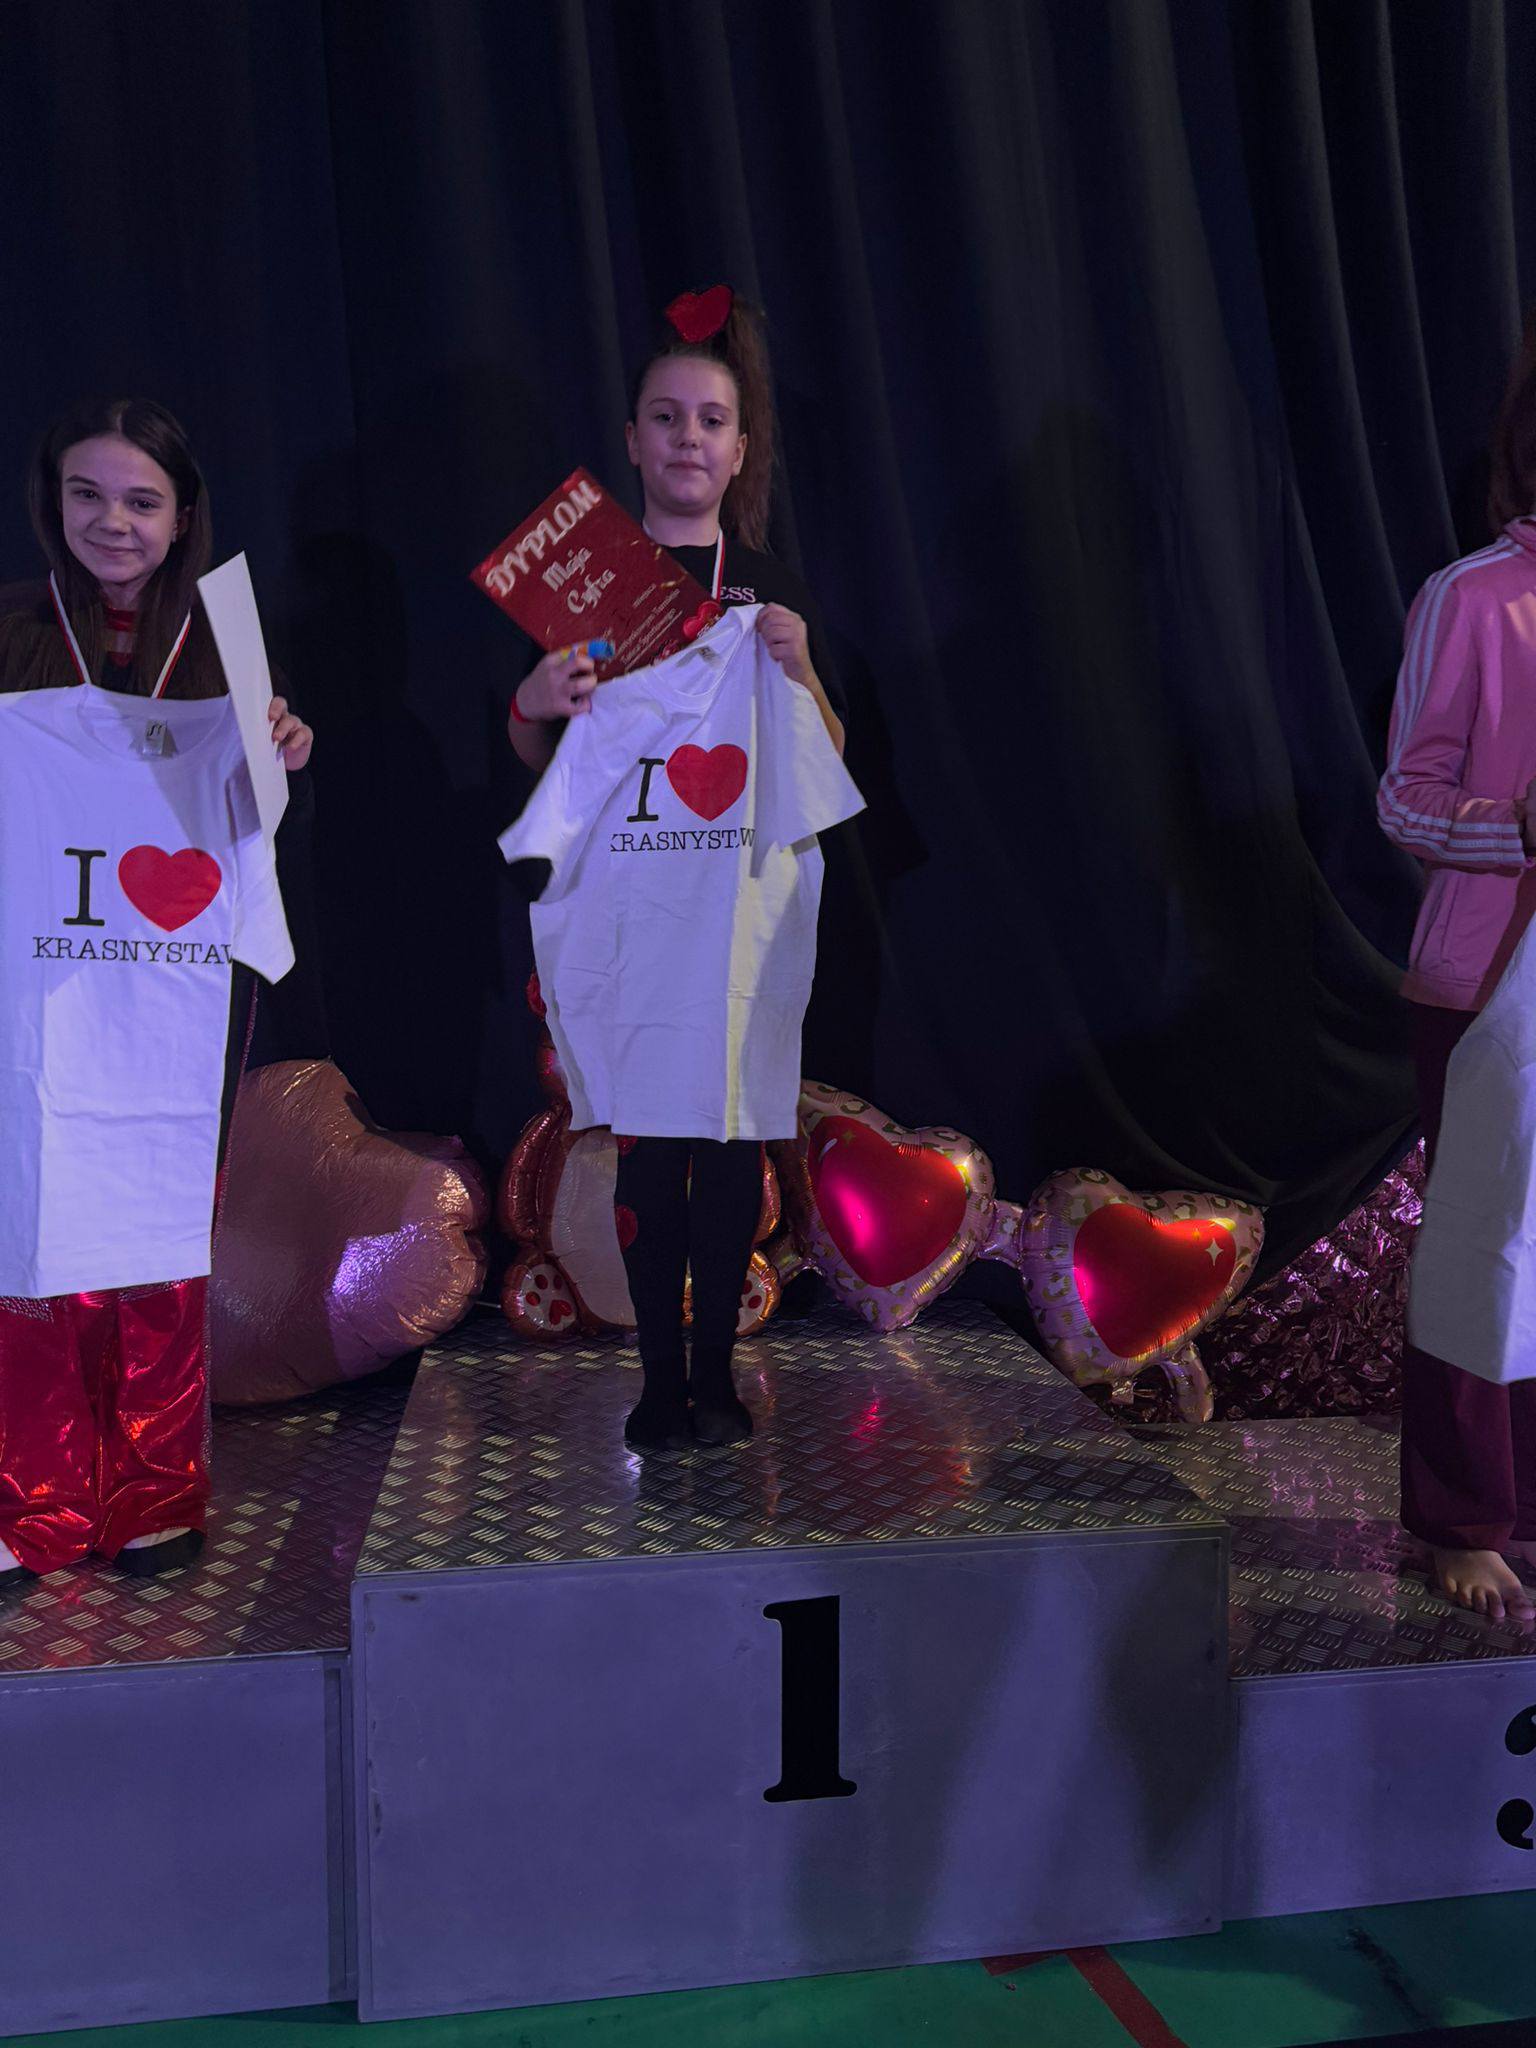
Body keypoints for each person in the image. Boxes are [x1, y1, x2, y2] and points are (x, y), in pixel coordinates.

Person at [505, 289, 855, 1452]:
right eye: (666, 417)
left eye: (711, 420)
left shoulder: (768, 585)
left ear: (740, 447)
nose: (688, 439)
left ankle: (719, 1375)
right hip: (636, 913)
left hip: (737, 915)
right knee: (650, 1149)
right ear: (632, 438)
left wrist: (802, 675)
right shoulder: (592, 584)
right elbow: (542, 755)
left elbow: (826, 756)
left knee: (732, 1141)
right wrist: (534, 698)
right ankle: (660, 1379)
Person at [0, 397, 314, 1584]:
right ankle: (33, 1498)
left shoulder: (226, 649)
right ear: (52, 503)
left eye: (142, 500)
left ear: (184, 516)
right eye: (87, 494)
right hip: (38, 995)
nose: (113, 522)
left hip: (174, 998)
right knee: (31, 1239)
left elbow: (259, 832)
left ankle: (154, 1490)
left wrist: (282, 759)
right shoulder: (11, 630)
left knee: (156, 1232)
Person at [1377, 320, 1536, 1623]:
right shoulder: (1473, 598)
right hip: (1489, 979)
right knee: (1485, 1236)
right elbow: (1404, 798)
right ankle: (1464, 1514)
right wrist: (1518, 826)